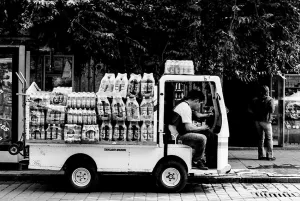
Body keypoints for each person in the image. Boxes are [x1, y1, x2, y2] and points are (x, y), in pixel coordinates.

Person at [168, 90, 212, 170]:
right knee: (202, 138)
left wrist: (208, 115)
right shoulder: (185, 108)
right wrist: (202, 128)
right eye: (200, 103)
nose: (199, 106)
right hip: (177, 137)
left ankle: (199, 157)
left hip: (176, 134)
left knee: (202, 134)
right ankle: (196, 160)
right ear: (196, 101)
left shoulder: (183, 104)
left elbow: (196, 114)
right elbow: (189, 128)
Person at [249, 85, 275, 161]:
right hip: (266, 121)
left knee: (260, 138)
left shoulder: (255, 99)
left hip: (257, 121)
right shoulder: (270, 99)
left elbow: (250, 109)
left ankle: (260, 155)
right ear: (267, 91)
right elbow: (272, 110)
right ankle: (269, 156)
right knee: (269, 138)